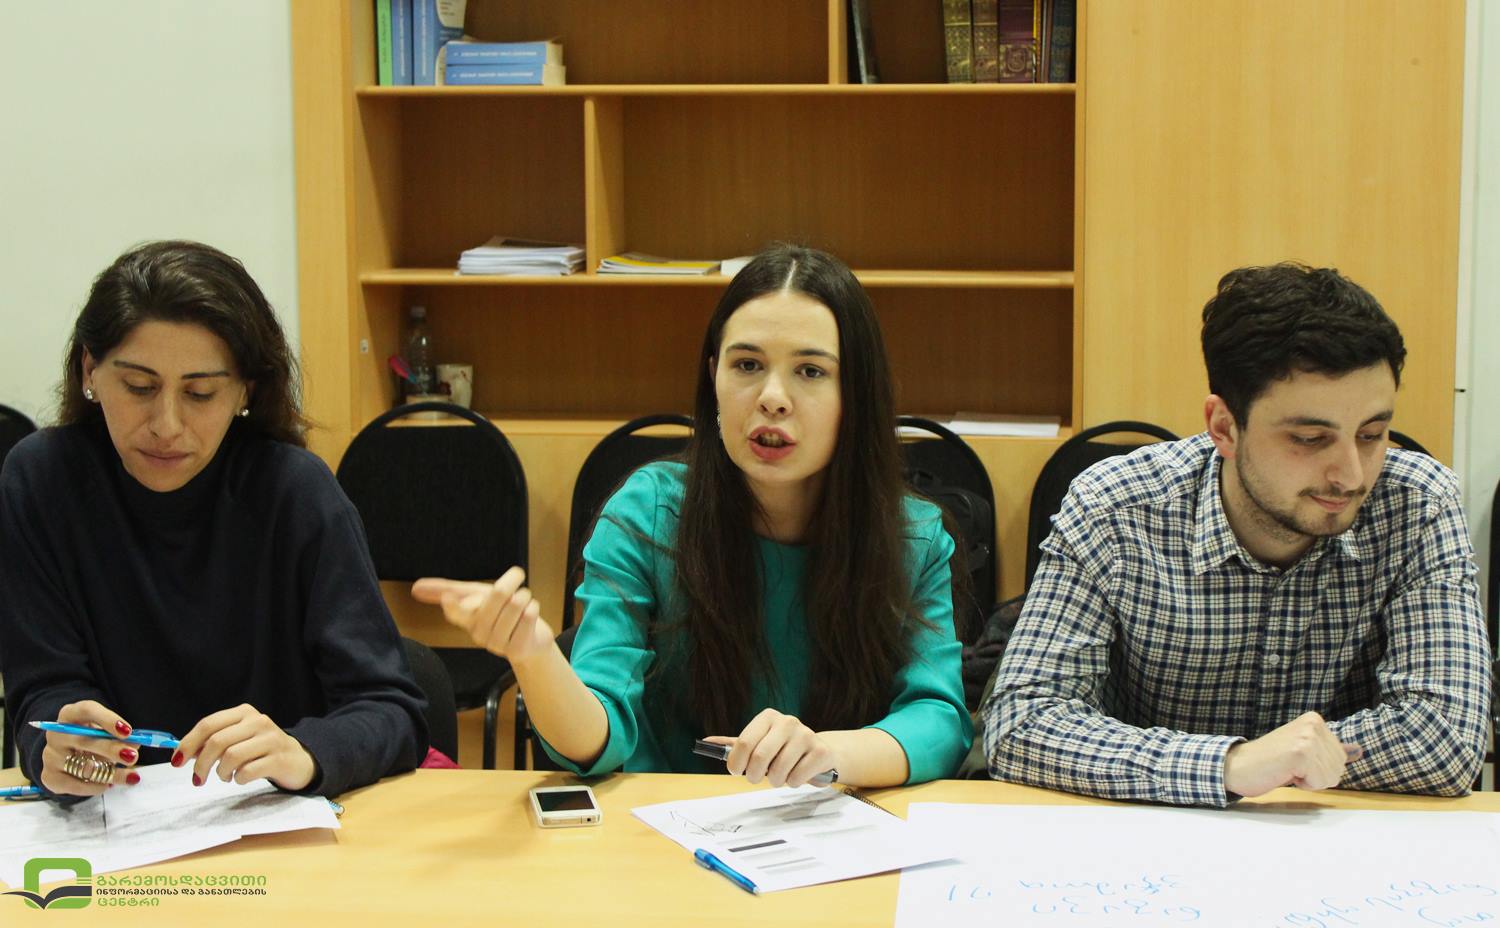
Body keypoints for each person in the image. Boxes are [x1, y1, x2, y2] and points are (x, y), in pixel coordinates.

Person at [414, 245, 971, 787]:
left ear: (857, 392)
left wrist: (831, 754)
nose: (773, 398)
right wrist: (533, 656)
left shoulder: (912, 536)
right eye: (747, 365)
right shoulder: (648, 514)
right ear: (713, 377)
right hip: (663, 828)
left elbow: (939, 719)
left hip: (839, 824)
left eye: (810, 371)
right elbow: (592, 740)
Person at [984, 262, 1490, 806]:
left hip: (1341, 837)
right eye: (1309, 438)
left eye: (1371, 434)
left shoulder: (1418, 505)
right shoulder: (1116, 507)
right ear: (1224, 427)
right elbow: (1022, 722)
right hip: (1154, 838)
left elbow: (1447, 739)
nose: (1351, 475)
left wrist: (1281, 764)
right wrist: (1228, 765)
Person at [0, 240, 427, 799]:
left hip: (274, 820)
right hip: (111, 824)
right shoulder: (40, 480)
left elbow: (392, 710)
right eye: (138, 387)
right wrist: (56, 748)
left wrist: (304, 752)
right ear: (90, 372)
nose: (166, 424)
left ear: (245, 391)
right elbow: (40, 693)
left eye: (200, 393)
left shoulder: (296, 492)